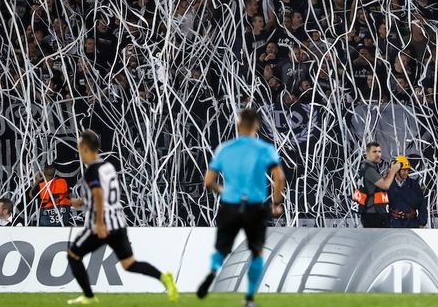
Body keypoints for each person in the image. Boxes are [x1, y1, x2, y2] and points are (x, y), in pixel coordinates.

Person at [66, 130, 178, 305]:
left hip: (101, 225)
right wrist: (80, 202)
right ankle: (165, 278)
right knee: (129, 264)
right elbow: (103, 195)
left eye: (80, 149)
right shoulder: (108, 167)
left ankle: (88, 297)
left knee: (73, 255)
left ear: (86, 149)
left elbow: (99, 195)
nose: (79, 153)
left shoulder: (92, 172)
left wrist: (100, 223)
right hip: (118, 222)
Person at [196, 108, 286, 307]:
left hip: (230, 205)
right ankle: (250, 298)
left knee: (221, 248)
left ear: (238, 126)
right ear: (257, 126)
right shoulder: (264, 149)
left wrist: (225, 193)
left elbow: (209, 181)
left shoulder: (224, 149)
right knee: (256, 252)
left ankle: (212, 271)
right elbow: (279, 177)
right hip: (254, 206)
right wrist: (276, 203)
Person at [353, 141, 401, 228]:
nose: (378, 154)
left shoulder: (369, 167)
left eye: (379, 151)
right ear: (367, 153)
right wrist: (393, 171)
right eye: (374, 152)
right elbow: (385, 185)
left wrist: (389, 172)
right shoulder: (369, 169)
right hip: (373, 214)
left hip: (374, 213)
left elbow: (379, 184)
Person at [387, 155, 428, 228]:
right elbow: (381, 206)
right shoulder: (388, 185)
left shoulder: (414, 185)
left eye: (407, 170)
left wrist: (421, 223)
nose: (406, 172)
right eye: (403, 170)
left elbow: (422, 205)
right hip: (393, 225)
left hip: (412, 224)